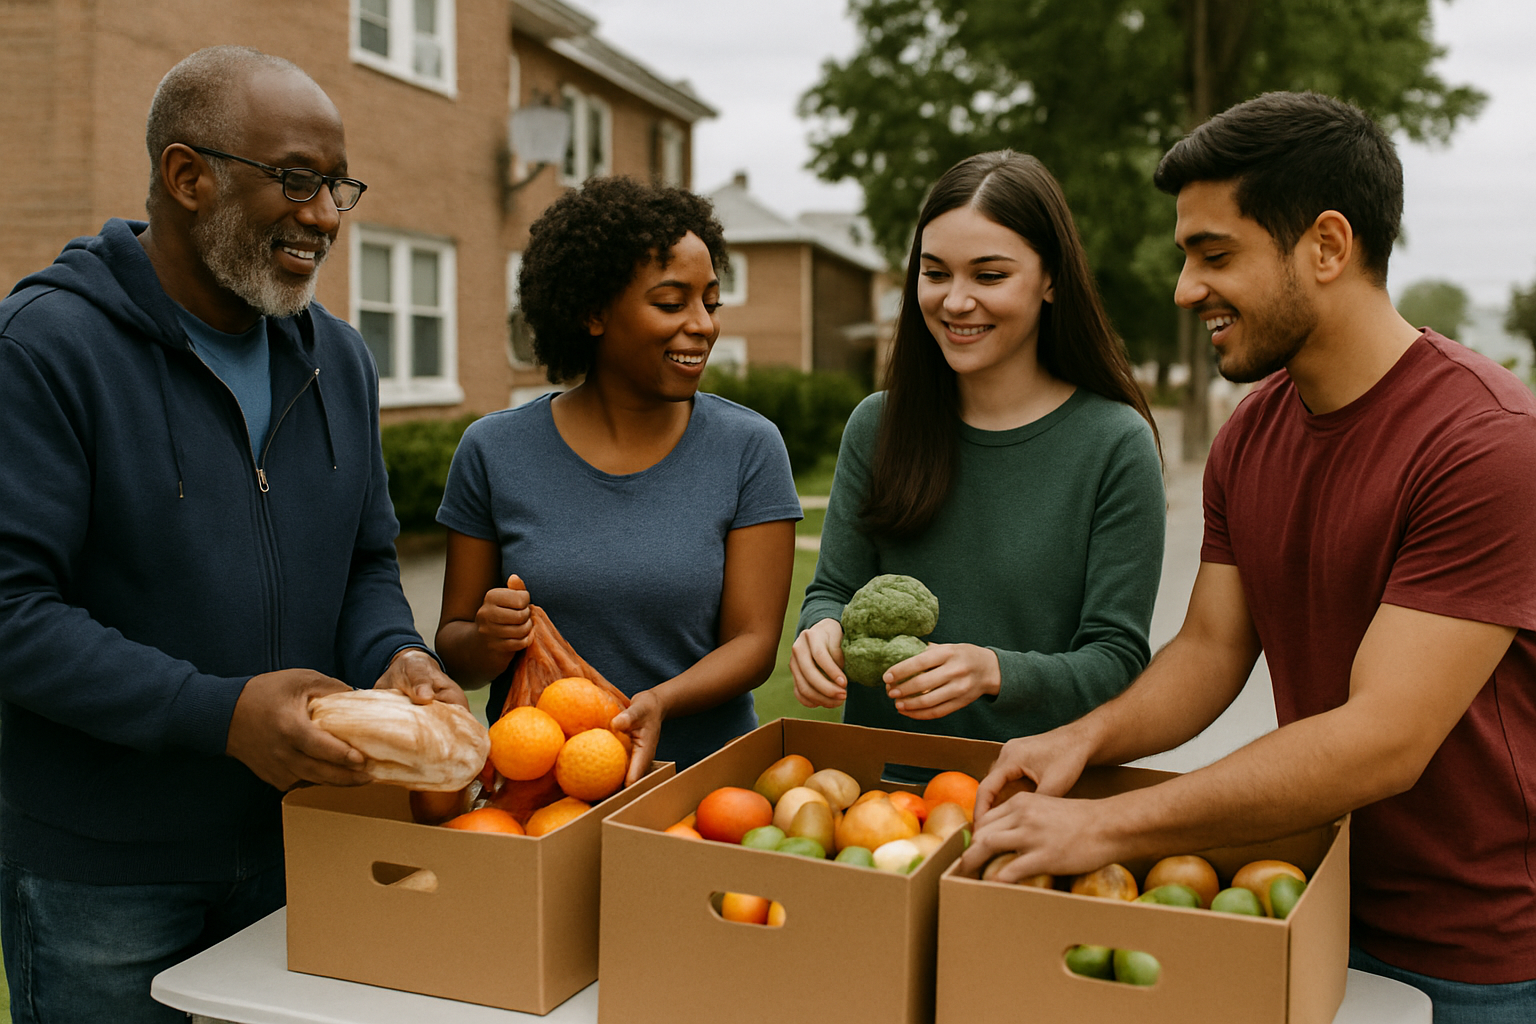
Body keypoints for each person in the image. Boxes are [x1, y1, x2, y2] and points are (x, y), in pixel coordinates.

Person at [958, 92, 1536, 1022]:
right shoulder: (1252, 432)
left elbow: (1383, 739)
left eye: (1214, 254)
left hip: (1477, 960)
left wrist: (1106, 821)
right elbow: (1212, 651)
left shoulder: (1486, 442)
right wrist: (1083, 741)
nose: (1187, 289)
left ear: (1327, 246)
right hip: (1298, 897)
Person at [0, 46, 465, 1023]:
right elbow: (12, 614)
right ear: (186, 174)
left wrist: (395, 650)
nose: (327, 216)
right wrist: (221, 713)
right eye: (296, 179)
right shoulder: (47, 347)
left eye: (338, 184)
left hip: (308, 839)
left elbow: (367, 558)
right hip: (108, 872)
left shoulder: (339, 356)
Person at [790, 151, 1166, 749]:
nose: (956, 301)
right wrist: (819, 630)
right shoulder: (876, 425)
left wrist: (995, 670)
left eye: (989, 276)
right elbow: (832, 590)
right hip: (875, 804)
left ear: (1051, 279)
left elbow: (1116, 659)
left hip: (1033, 802)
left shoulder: (1116, 444)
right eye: (936, 274)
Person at [434, 176, 801, 778]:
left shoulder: (748, 448)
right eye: (671, 302)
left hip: (706, 786)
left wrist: (658, 702)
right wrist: (487, 638)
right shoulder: (494, 450)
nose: (703, 324)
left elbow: (754, 644)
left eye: (710, 301)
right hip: (543, 784)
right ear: (593, 311)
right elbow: (458, 652)